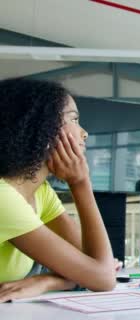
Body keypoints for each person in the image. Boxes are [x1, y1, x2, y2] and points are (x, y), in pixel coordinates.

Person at [0, 78, 116, 302]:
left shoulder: (40, 192)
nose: (85, 133)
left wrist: (46, 281)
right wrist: (80, 183)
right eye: (74, 119)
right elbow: (102, 277)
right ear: (41, 127)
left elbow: (97, 265)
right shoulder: (4, 197)